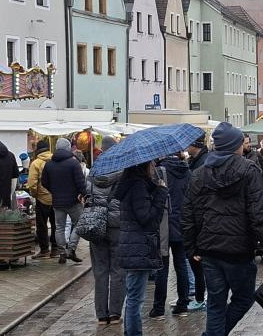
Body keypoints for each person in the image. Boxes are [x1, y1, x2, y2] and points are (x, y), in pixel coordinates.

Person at [182, 122, 263, 336]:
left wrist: (192, 248)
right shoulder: (249, 170)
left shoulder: (200, 173)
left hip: (209, 249)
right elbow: (259, 215)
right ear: (234, 145)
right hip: (238, 251)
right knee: (244, 298)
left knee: (216, 305)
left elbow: (188, 214)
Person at [115, 160, 168, 336]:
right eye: (150, 163)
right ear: (143, 166)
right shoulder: (138, 186)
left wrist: (154, 188)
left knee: (132, 297)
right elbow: (147, 218)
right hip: (138, 247)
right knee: (135, 299)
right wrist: (160, 193)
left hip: (134, 246)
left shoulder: (133, 184)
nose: (153, 166)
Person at [150, 153, 205, 319]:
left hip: (164, 225)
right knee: (181, 265)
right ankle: (182, 304)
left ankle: (159, 308)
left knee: (162, 267)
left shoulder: (159, 171)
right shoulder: (187, 170)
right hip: (182, 225)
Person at [88, 137, 125, 325]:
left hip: (96, 222)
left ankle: (101, 315)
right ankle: (115, 313)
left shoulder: (93, 171)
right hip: (118, 224)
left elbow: (87, 193)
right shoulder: (124, 170)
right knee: (118, 270)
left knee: (100, 270)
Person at [42, 138, 87, 264]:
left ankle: (62, 252)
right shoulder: (73, 163)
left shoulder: (49, 164)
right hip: (73, 201)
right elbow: (80, 183)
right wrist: (84, 195)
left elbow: (44, 182)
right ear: (68, 148)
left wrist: (54, 191)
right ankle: (71, 249)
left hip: (57, 201)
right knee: (79, 223)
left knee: (59, 228)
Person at [26, 139, 58, 259]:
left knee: (42, 225)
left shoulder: (36, 163)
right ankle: (56, 249)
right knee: (56, 224)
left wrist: (35, 194)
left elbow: (32, 183)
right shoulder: (56, 160)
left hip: (42, 198)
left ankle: (44, 250)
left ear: (38, 150)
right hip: (56, 197)